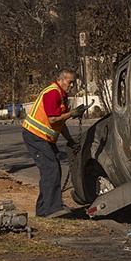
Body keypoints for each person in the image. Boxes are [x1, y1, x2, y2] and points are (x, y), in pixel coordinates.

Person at [22, 69, 86, 217]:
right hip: (35, 136)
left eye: (73, 83)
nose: (72, 85)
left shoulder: (62, 96)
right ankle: (52, 209)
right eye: (70, 82)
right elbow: (52, 119)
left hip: (44, 138)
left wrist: (70, 141)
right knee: (51, 170)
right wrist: (72, 114)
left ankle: (44, 209)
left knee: (52, 170)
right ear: (60, 80)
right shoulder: (52, 93)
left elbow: (61, 123)